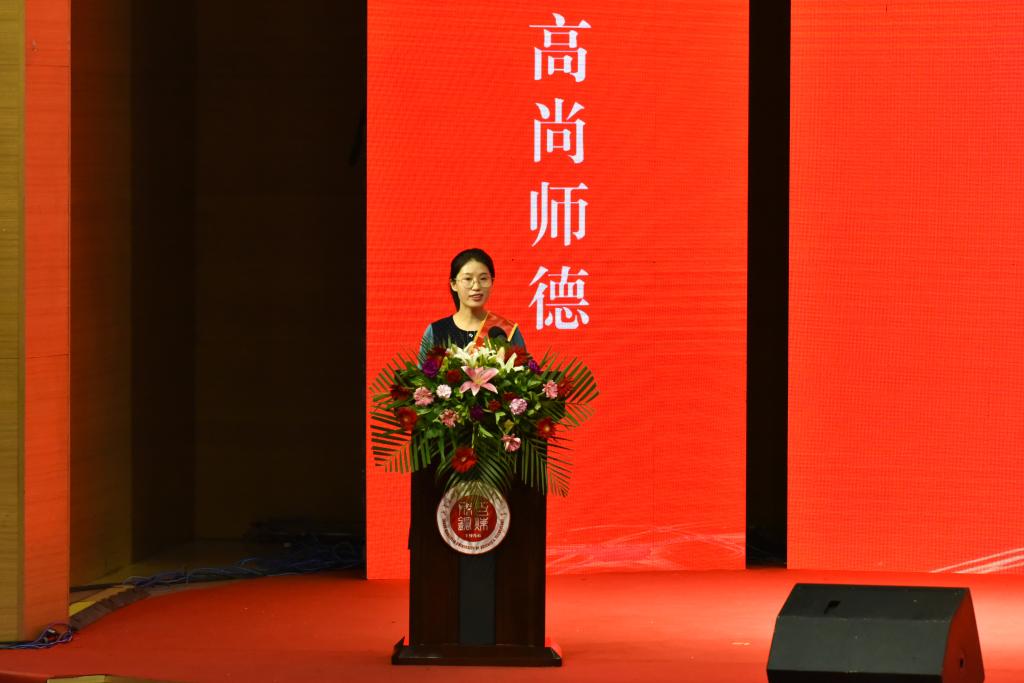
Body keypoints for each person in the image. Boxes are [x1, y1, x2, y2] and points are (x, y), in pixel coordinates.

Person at [419, 248, 526, 358]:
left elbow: (524, 368)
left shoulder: (506, 330)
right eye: (468, 279)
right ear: (453, 284)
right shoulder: (436, 331)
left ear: (492, 282)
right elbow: (424, 369)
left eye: (483, 279)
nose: (476, 287)